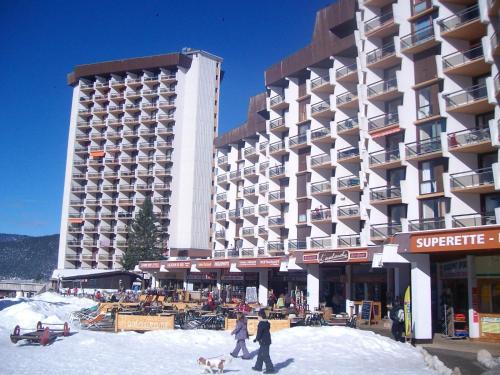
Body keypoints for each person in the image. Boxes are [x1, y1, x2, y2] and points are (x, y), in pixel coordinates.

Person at [252, 309, 274, 374]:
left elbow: (259, 333)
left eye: (258, 316)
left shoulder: (261, 324)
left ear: (261, 317)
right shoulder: (267, 322)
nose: (257, 318)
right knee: (260, 355)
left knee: (265, 355)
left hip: (264, 341)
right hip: (266, 341)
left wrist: (256, 339)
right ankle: (258, 367)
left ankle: (270, 369)